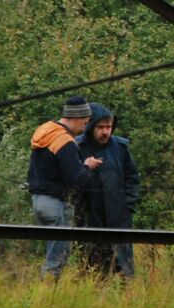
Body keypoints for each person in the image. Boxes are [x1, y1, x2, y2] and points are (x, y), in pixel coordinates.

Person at [27, 95, 104, 277]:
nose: (84, 128)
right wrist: (87, 166)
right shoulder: (64, 141)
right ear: (76, 118)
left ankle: (48, 292)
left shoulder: (45, 131)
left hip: (38, 202)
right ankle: (47, 297)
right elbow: (76, 179)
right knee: (57, 257)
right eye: (84, 123)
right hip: (54, 203)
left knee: (54, 251)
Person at [74, 102, 142, 277]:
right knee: (92, 270)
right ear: (91, 126)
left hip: (119, 218)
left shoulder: (120, 148)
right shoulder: (77, 147)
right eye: (101, 127)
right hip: (89, 219)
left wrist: (128, 207)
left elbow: (132, 179)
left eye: (109, 127)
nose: (105, 131)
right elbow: (71, 180)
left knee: (123, 271)